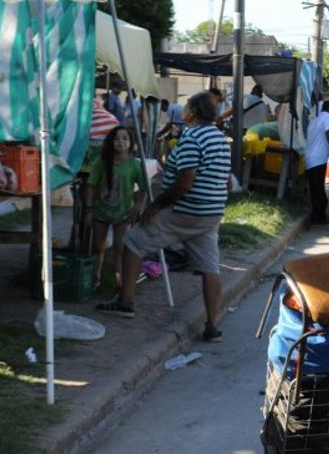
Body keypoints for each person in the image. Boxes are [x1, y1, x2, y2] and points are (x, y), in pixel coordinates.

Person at [97, 91, 232, 343]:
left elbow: (185, 182)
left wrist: (156, 205)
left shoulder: (192, 137)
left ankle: (126, 301)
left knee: (133, 241)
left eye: (186, 108)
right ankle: (213, 327)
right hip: (211, 212)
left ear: (192, 112)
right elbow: (224, 179)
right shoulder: (219, 137)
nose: (183, 112)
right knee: (210, 268)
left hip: (185, 210)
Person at [83, 126, 147, 291]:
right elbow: (91, 185)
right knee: (98, 246)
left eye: (125, 138)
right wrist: (88, 210)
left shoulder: (134, 165)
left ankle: (119, 281)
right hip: (100, 212)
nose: (121, 142)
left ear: (131, 143)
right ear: (111, 142)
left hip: (123, 214)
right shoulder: (101, 162)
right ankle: (95, 278)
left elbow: (143, 189)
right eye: (117, 138)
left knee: (120, 247)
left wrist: (137, 207)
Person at [304, 100, 329, 224]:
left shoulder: (315, 120)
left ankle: (316, 215)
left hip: (310, 159)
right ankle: (319, 217)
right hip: (321, 159)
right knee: (321, 191)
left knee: (314, 189)